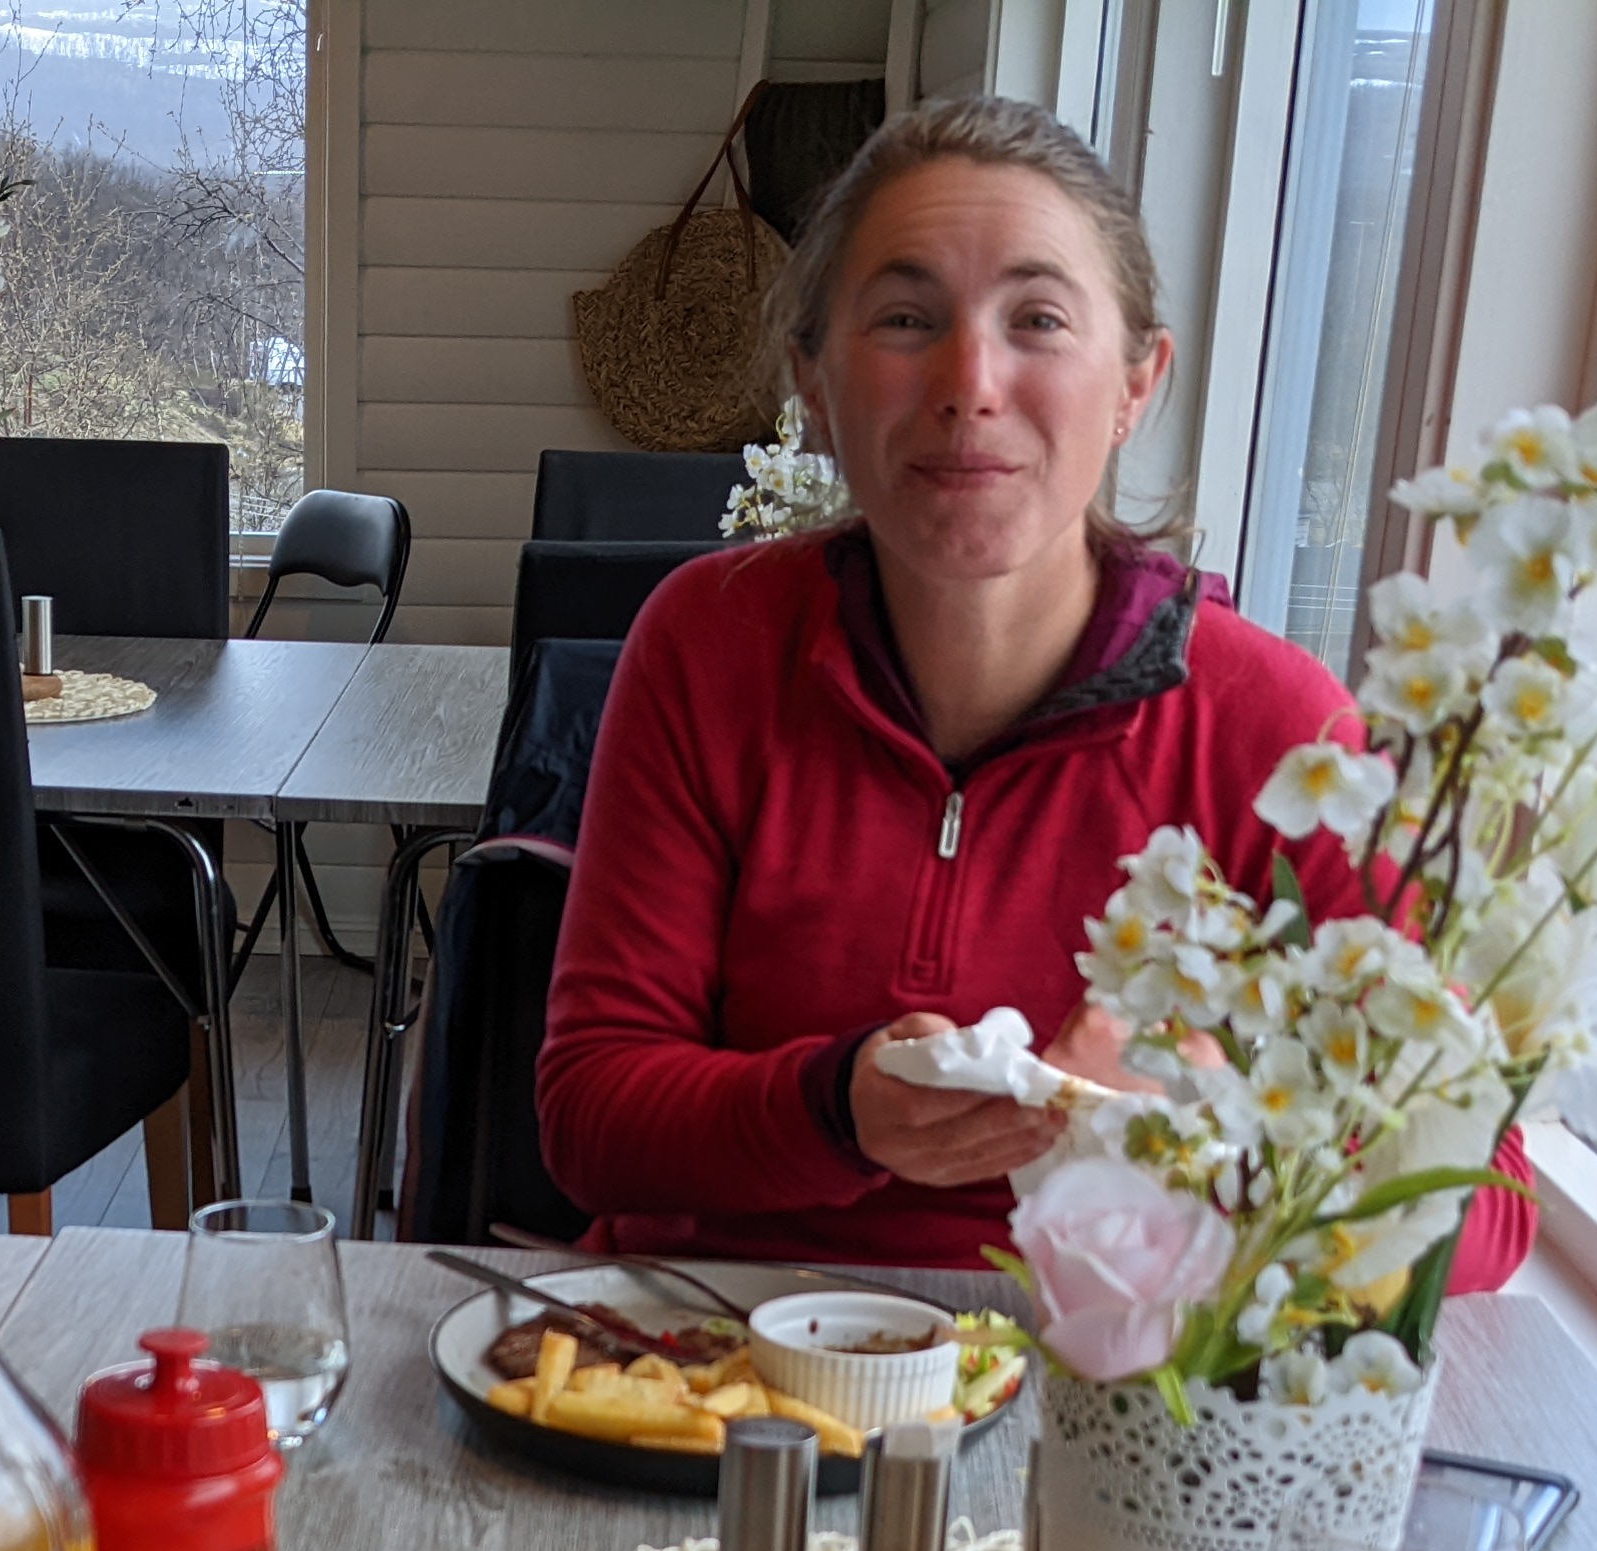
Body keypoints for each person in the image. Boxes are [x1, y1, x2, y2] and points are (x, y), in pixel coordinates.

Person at [534, 96, 1532, 1286]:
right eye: (906, 318)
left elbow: (1487, 1206)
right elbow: (589, 1119)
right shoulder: (708, 643)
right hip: (704, 1372)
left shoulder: (1279, 730)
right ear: (813, 378)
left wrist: (1193, 1130)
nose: (970, 382)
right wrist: (833, 1108)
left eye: (1040, 320)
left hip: (1096, 1395)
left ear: (1135, 384)